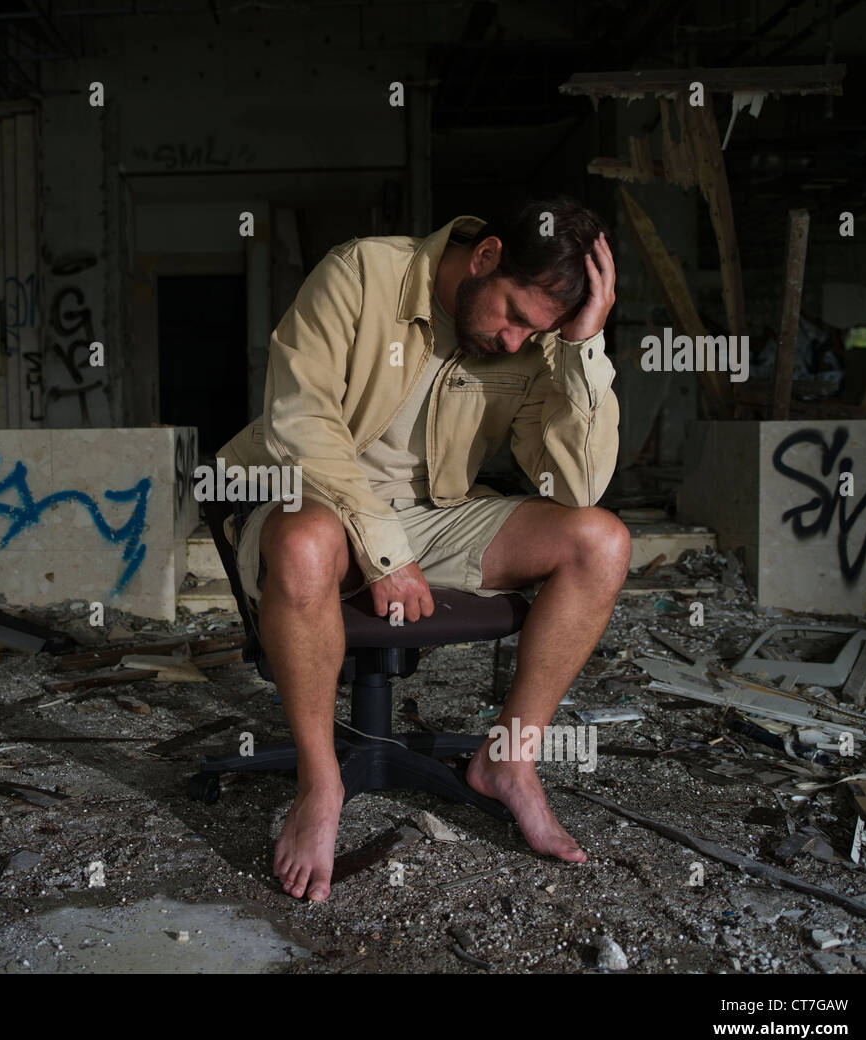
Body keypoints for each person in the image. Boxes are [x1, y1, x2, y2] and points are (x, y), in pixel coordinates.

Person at [216, 197, 630, 901]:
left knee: (602, 540)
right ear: (487, 255)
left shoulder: (535, 343)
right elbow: (299, 419)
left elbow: (576, 484)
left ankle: (508, 760)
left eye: (536, 330)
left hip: (431, 521)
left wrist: (583, 348)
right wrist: (381, 548)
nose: (512, 341)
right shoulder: (361, 272)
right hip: (309, 495)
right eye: (512, 315)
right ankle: (322, 782)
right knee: (308, 540)